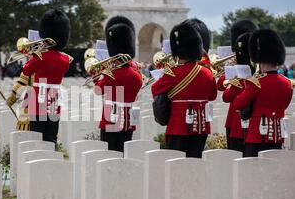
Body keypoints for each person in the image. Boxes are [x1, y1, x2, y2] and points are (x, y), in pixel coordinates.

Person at [152, 21, 217, 158]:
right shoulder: (207, 73)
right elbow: (212, 95)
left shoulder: (173, 73)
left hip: (178, 127)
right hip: (200, 127)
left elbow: (155, 89)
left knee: (176, 166)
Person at [5, 9, 72, 144]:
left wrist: (36, 54)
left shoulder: (39, 57)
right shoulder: (66, 60)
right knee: (51, 136)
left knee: (36, 137)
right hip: (54, 101)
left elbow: (27, 70)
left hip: (37, 101)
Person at [235, 29, 294, 157]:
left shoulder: (256, 82)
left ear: (260, 60)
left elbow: (238, 104)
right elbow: (284, 105)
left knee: (253, 169)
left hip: (257, 135)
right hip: (277, 134)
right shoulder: (288, 83)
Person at [94, 16, 143, 153]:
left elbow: (98, 90)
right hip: (128, 119)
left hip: (111, 119)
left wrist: (97, 75)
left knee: (109, 152)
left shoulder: (111, 74)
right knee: (124, 151)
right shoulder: (137, 75)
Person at [218, 19, 258, 151]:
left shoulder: (245, 78)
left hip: (240, 123)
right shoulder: (241, 73)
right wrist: (231, 67)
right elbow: (220, 85)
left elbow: (226, 95)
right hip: (242, 123)